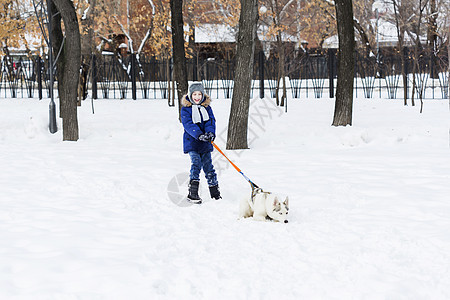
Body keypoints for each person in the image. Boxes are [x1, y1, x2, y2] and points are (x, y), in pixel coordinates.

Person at [181, 82, 221, 204]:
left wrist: (210, 133)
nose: (197, 97)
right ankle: (192, 193)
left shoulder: (207, 108)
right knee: (196, 164)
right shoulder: (186, 109)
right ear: (190, 95)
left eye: (199, 94)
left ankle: (215, 193)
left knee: (209, 167)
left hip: (205, 143)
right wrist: (198, 134)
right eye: (194, 94)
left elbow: (211, 121)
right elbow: (188, 124)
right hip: (192, 142)